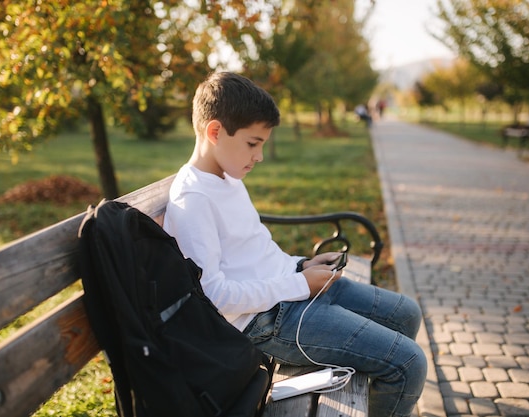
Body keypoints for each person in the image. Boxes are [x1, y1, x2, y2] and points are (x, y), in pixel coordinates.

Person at [163, 71, 427, 417]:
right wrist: (298, 283)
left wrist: (302, 266)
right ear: (215, 132)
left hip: (291, 289)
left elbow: (255, 249)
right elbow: (215, 298)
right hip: (268, 322)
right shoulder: (193, 200)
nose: (258, 156)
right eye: (253, 143)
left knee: (405, 313)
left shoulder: (226, 176)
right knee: (408, 363)